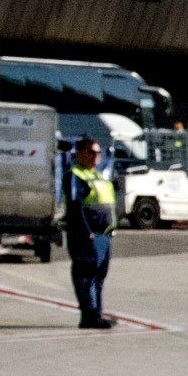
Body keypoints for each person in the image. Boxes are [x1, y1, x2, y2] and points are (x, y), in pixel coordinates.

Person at [61, 134, 116, 329]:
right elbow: (76, 206)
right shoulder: (75, 175)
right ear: (81, 154)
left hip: (103, 234)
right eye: (91, 152)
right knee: (86, 275)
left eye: (98, 153)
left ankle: (96, 313)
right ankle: (89, 314)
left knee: (99, 276)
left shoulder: (98, 175)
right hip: (86, 234)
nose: (96, 156)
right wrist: (86, 231)